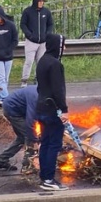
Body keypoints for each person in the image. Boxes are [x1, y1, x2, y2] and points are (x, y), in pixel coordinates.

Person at [35, 33, 69, 191]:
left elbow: (40, 87)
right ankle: (49, 179)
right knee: (53, 145)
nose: (65, 48)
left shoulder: (42, 61)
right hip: (53, 110)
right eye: (63, 45)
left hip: (41, 107)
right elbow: (58, 90)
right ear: (57, 46)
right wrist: (64, 110)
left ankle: (44, 177)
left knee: (45, 143)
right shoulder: (55, 64)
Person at [0, 85, 38, 173]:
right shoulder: (36, 97)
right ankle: (28, 166)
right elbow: (30, 121)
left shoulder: (43, 92)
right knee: (29, 136)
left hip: (17, 108)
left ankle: (2, 160)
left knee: (22, 138)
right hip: (13, 110)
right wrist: (34, 139)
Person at [20, 0, 54, 87]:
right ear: (35, 1)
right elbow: (23, 24)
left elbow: (50, 24)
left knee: (40, 62)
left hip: (42, 42)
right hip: (31, 42)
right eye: (40, 1)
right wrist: (29, 35)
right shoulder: (27, 12)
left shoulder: (46, 12)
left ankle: (38, 79)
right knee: (29, 61)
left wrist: (47, 34)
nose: (41, 3)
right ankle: (24, 80)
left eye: (42, 1)